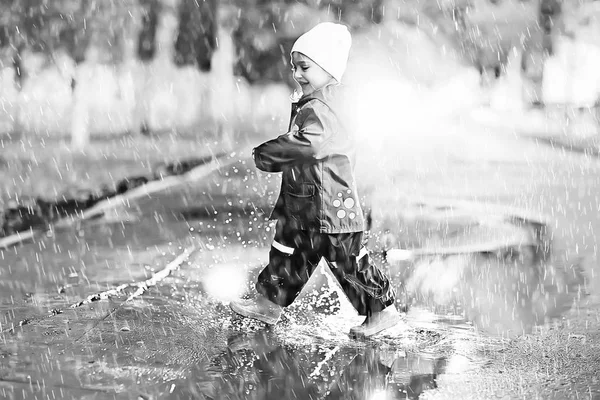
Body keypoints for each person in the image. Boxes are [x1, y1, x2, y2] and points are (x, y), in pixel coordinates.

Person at [230, 22, 400, 338]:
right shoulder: (319, 102)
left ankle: (382, 311)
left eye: (305, 66)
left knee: (348, 263)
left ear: (328, 69)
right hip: (310, 205)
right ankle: (269, 304)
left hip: (328, 208)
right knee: (288, 255)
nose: (297, 73)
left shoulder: (323, 105)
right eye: (294, 66)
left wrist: (269, 153)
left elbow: (309, 144)